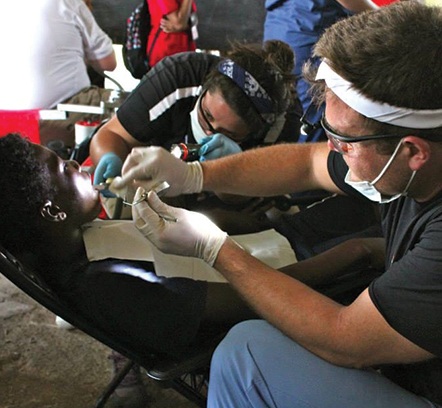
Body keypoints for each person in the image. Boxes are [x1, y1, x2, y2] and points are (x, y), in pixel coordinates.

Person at [113, 2, 442, 406]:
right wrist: (195, 175)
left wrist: (215, 249)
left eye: (346, 141)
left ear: (413, 151)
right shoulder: (405, 167)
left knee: (246, 354)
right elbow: (307, 163)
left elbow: (345, 339)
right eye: (329, 132)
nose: (334, 148)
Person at [0, 134, 386, 406]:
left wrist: (194, 199)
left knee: (365, 199)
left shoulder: (85, 243)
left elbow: (216, 230)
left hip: (275, 247)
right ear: (52, 211)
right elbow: (247, 300)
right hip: (293, 281)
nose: (73, 161)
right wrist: (356, 251)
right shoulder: (112, 286)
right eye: (62, 168)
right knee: (386, 216)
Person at [89, 40, 300, 189]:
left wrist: (227, 172)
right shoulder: (177, 76)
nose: (209, 132)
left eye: (229, 133)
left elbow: (250, 201)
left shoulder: (279, 127)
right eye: (207, 115)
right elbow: (111, 135)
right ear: (205, 86)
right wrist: (110, 159)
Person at [0, 0, 117, 149]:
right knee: (127, 108)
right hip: (56, 117)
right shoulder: (66, 2)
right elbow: (108, 64)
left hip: (5, 121)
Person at [263, 0, 381, 143]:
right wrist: (384, 16)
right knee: (314, 115)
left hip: (286, 22)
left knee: (289, 113)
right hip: (308, 27)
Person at [147, 0, 198, 68]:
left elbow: (192, 19)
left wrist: (186, 25)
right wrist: (183, 25)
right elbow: (179, 24)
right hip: (167, 53)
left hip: (186, 50)